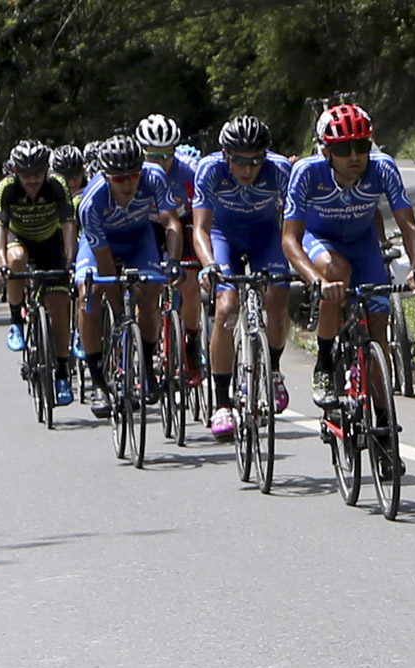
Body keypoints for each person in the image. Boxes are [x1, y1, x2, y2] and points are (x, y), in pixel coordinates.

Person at [281, 103, 415, 478]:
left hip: (363, 243)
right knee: (336, 274)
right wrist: (315, 282)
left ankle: (383, 433)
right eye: (343, 150)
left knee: (377, 330)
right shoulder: (306, 173)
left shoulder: (383, 168)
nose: (354, 157)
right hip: (321, 241)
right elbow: (290, 240)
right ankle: (325, 362)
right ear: (325, 151)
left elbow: (409, 226)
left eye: (361, 146)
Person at [192, 115, 292, 439]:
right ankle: (221, 403)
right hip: (224, 239)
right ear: (225, 156)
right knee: (226, 308)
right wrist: (208, 264)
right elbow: (201, 229)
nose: (248, 170)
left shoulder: (280, 171)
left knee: (278, 296)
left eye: (255, 161)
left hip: (265, 238)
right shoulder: (209, 171)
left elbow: (295, 223)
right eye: (239, 161)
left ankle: (273, 370)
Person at [75, 135, 184, 417]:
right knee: (89, 295)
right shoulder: (91, 201)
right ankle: (98, 382)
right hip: (100, 245)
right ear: (105, 176)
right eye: (119, 178)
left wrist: (172, 261)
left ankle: (146, 366)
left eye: (134, 175)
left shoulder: (154, 177)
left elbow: (171, 222)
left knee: (149, 295)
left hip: (138, 239)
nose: (129, 183)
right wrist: (119, 311)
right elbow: (104, 263)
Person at [0, 141, 80, 404]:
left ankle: (63, 373)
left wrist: (70, 260)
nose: (32, 180)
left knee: (58, 305)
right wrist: (1, 264)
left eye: (37, 174)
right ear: (16, 171)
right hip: (19, 238)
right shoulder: (7, 188)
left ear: (46, 170)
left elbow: (68, 223)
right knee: (16, 259)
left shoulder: (56, 185)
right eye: (26, 175)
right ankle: (16, 322)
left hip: (50, 242)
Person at [136, 113, 204, 385]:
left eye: (167, 155)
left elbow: (203, 214)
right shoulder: (133, 175)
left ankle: (191, 340)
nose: (162, 162)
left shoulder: (189, 172)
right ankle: (146, 351)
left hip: (183, 223)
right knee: (146, 290)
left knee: (190, 283)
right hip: (148, 227)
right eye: (153, 156)